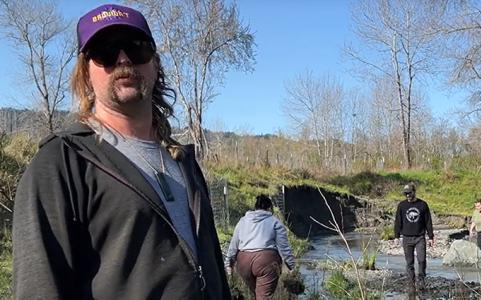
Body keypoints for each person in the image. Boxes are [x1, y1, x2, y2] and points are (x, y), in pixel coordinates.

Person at [12, 4, 230, 299]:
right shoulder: (61, 163)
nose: (124, 59)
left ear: (154, 63)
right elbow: (40, 288)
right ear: (86, 73)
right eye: (106, 51)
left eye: (136, 48)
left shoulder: (183, 161)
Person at [225, 195, 296, 300]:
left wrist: (228, 264)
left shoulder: (243, 221)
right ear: (269, 208)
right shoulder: (275, 222)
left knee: (256, 294)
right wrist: (291, 266)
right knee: (263, 296)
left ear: (255, 208)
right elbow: (284, 247)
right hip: (266, 262)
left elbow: (233, 244)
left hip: (243, 263)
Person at [394, 182, 434, 291]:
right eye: (405, 194)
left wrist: (431, 237)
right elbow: (398, 221)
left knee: (421, 260)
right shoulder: (402, 205)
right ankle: (411, 283)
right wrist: (396, 236)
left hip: (420, 237)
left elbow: (428, 222)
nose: (407, 196)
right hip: (406, 238)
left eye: (409, 193)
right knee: (409, 262)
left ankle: (421, 280)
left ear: (414, 192)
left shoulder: (423, 205)